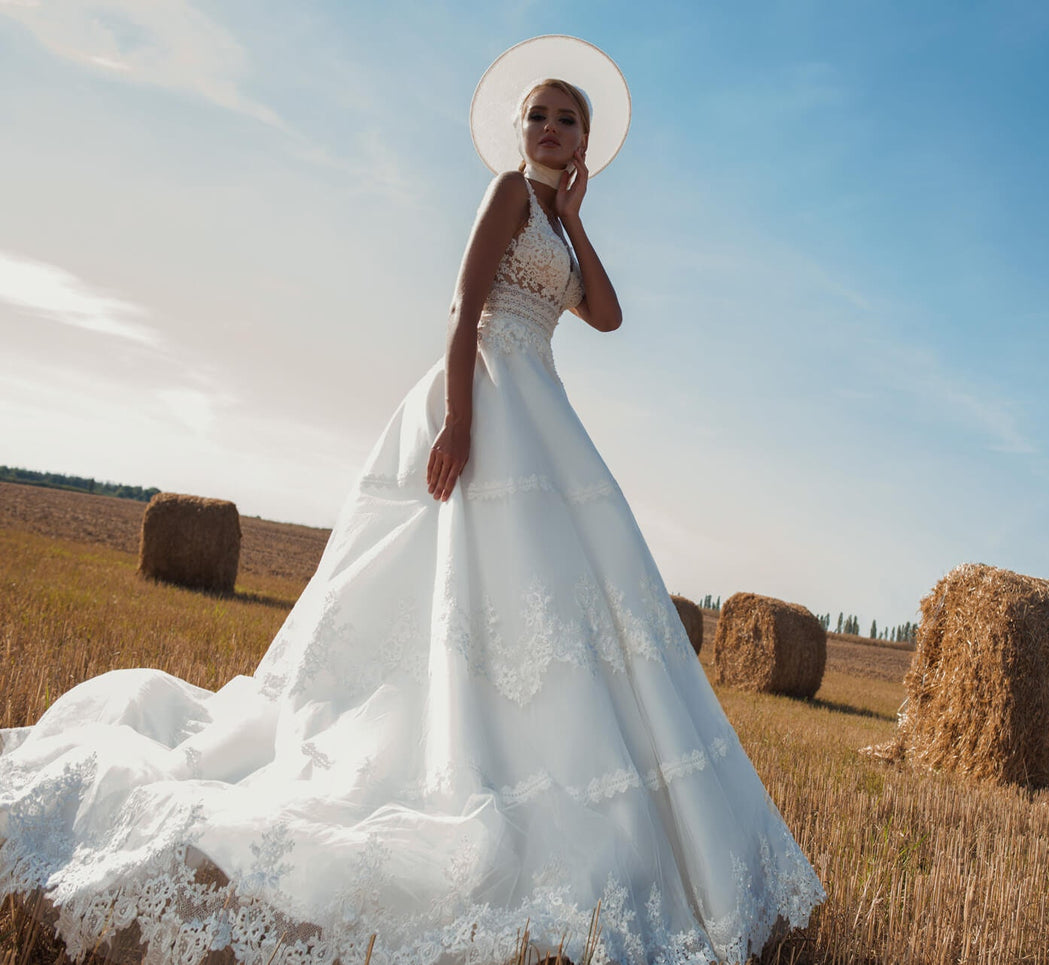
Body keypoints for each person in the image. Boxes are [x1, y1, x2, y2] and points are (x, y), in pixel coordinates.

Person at [0, 36, 825, 965]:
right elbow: (465, 305)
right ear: (518, 132)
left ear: (586, 141)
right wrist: (460, 424)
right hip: (483, 390)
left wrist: (580, 219)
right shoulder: (508, 194)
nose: (551, 128)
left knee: (552, 597)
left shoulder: (554, 220)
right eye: (539, 115)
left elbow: (606, 316)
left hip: (543, 403)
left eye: (568, 119)